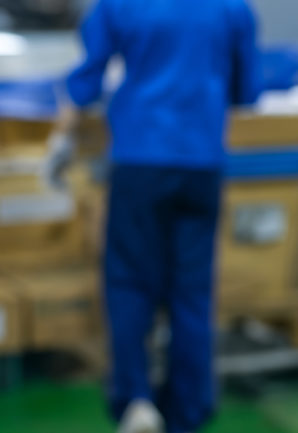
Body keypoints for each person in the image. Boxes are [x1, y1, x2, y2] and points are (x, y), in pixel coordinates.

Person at [44, 1, 262, 432]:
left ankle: (136, 401)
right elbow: (246, 91)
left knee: (129, 284)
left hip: (139, 160)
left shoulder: (118, 5)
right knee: (193, 292)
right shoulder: (233, 7)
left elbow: (87, 79)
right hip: (202, 163)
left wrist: (61, 137)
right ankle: (188, 410)